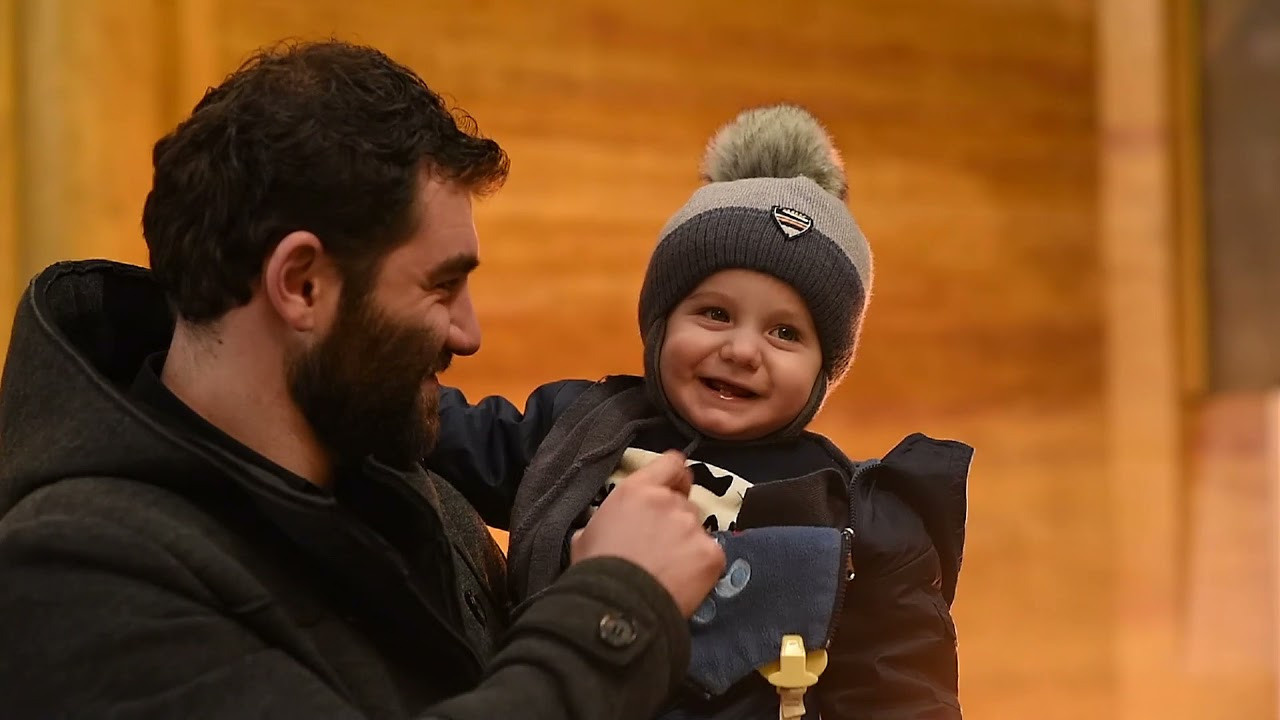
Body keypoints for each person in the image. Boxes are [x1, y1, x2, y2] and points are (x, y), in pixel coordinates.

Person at [0, 40, 726, 719]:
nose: (468, 335)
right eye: (442, 289)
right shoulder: (72, 577)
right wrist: (616, 608)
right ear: (303, 284)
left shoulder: (413, 490)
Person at [427, 105, 972, 719]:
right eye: (714, 314)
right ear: (659, 325)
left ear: (825, 369)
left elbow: (901, 690)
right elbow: (435, 429)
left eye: (786, 333)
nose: (741, 351)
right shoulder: (578, 427)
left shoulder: (856, 516)